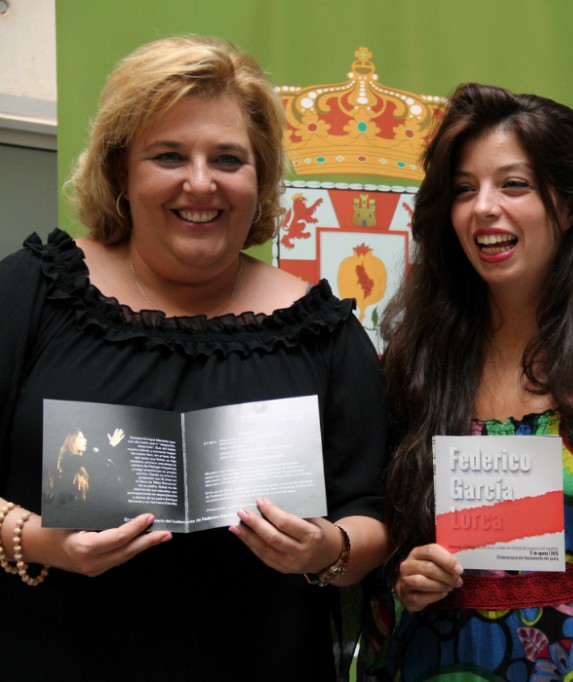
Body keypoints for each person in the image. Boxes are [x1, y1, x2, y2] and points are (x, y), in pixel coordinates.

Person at [0, 36, 389, 680]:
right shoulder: (33, 292)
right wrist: (39, 542)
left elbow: (371, 517)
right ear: (121, 172)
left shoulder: (321, 330)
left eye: (228, 159)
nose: (201, 182)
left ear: (259, 178)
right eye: (169, 155)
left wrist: (328, 549)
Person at [375, 82, 573, 680]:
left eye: (513, 184)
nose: (483, 207)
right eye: (464, 189)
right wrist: (407, 579)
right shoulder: (415, 361)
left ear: (570, 206)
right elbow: (380, 555)